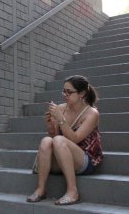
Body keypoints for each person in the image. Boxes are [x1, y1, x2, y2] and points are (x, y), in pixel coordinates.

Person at [26, 75, 103, 205]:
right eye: (64, 91)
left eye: (69, 92)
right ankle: (41, 190)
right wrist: (51, 126)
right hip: (63, 156)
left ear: (82, 93)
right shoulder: (61, 108)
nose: (65, 95)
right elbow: (55, 137)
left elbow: (75, 139)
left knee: (59, 140)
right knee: (46, 140)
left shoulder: (92, 113)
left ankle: (73, 192)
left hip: (84, 159)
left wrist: (61, 119)